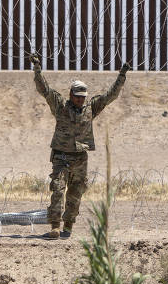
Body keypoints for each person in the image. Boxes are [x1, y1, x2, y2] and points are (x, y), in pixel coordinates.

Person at [31, 54, 130, 239]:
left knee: (75, 194)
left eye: (82, 97)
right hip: (61, 156)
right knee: (58, 190)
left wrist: (122, 75)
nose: (80, 100)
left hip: (80, 158)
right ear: (71, 95)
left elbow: (110, 96)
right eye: (77, 97)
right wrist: (37, 69)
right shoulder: (60, 106)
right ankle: (55, 226)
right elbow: (44, 89)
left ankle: (68, 226)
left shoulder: (91, 108)